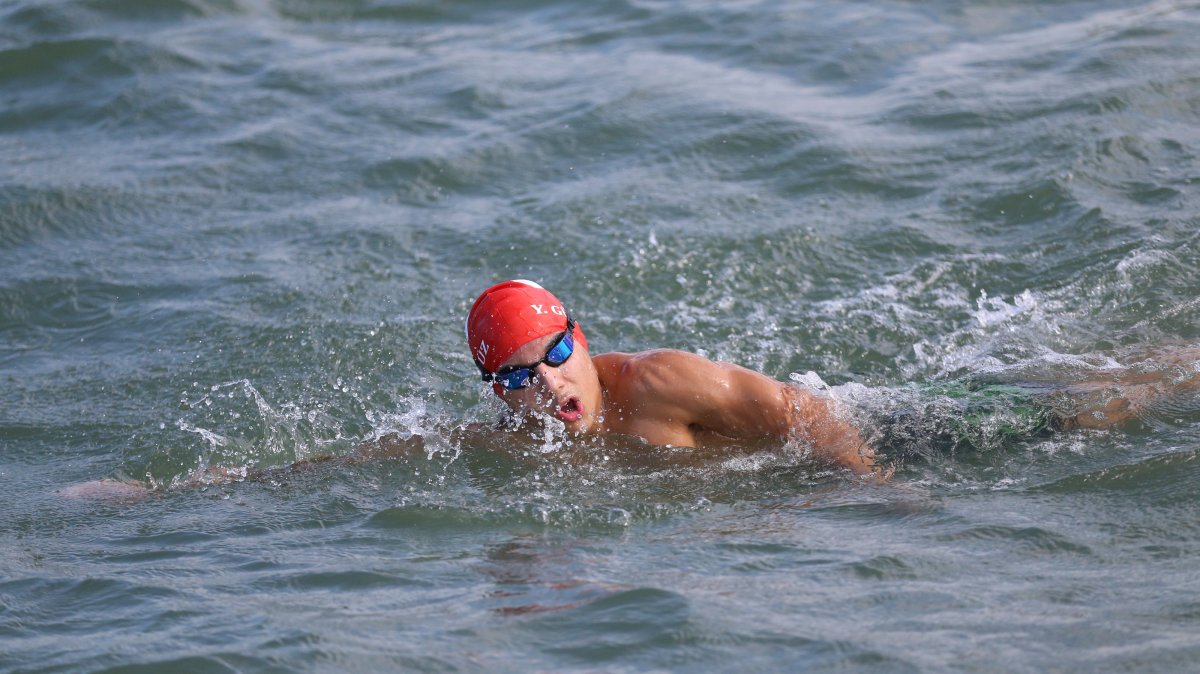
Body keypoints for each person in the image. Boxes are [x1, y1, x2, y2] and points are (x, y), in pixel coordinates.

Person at [464, 280, 1200, 477]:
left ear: (581, 339)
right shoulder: (522, 438)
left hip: (887, 436)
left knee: (1083, 405)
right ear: (498, 390)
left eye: (555, 355)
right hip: (806, 480)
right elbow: (423, 445)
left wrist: (872, 486)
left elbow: (806, 412)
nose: (548, 384)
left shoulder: (660, 383)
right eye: (519, 378)